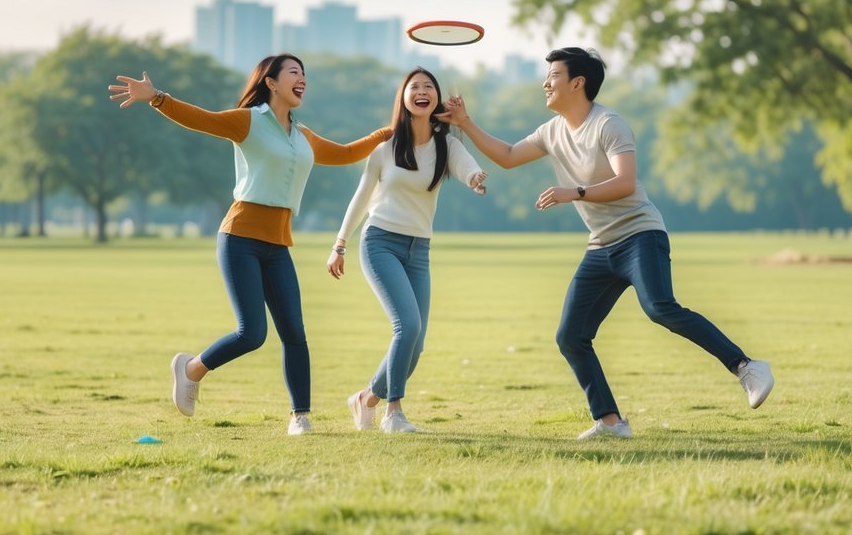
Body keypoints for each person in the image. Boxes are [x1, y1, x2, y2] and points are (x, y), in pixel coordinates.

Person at [436, 46, 774, 440]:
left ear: (577, 83)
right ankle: (610, 422)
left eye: (554, 76)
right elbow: (509, 156)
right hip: (602, 247)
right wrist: (466, 122)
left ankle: (747, 367)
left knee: (660, 307)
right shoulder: (552, 131)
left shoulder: (609, 124)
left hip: (640, 234)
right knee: (571, 336)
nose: (545, 84)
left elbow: (625, 182)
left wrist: (574, 192)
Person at [108, 54, 391, 435]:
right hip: (240, 238)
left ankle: (300, 417)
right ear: (271, 83)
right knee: (253, 333)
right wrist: (157, 96)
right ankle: (191, 369)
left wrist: (388, 133)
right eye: (294, 73)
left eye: (304, 74)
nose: (302, 79)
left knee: (295, 332)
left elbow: (343, 154)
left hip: (278, 244)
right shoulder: (249, 122)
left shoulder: (303, 136)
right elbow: (200, 118)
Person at [326, 68, 487, 434]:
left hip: (420, 250)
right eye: (415, 87)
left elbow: (467, 168)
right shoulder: (384, 150)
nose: (422, 91)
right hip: (380, 242)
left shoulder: (448, 145)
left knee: (417, 344)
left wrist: (476, 179)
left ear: (436, 100)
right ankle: (392, 412)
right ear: (403, 98)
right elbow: (361, 198)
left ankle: (366, 398)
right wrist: (340, 245)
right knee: (407, 326)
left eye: (429, 87)